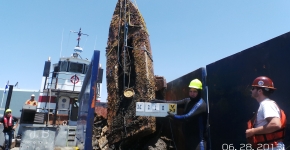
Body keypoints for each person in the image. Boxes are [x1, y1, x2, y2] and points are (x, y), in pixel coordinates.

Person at [151, 79, 207, 150]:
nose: (192, 93)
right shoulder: (188, 101)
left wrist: (172, 116)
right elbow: (174, 103)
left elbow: (186, 117)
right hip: (188, 140)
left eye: (195, 91)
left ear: (199, 92)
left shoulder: (201, 105)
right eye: (191, 91)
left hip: (199, 143)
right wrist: (158, 101)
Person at [246, 76, 286, 150]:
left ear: (260, 91)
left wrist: (253, 131)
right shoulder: (265, 104)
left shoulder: (267, 104)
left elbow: (275, 124)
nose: (251, 91)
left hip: (272, 147)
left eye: (253, 88)